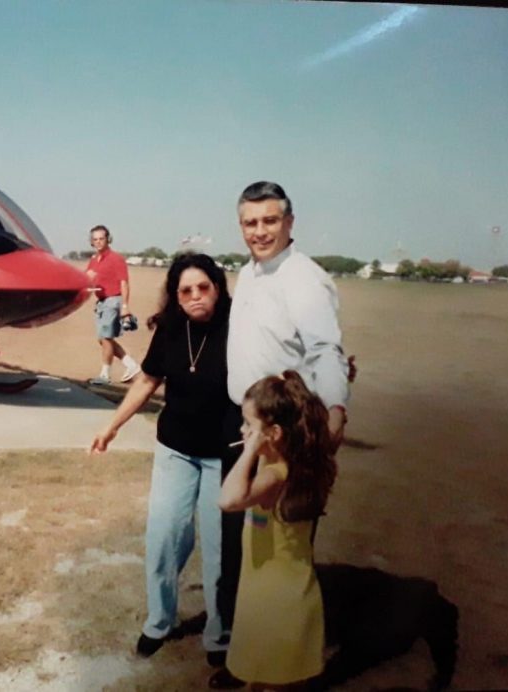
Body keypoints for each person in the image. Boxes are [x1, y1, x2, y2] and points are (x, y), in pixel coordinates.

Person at [217, 181, 350, 664]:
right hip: (245, 425)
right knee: (242, 548)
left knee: (283, 558)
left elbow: (326, 351)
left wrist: (335, 412)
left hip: (283, 435)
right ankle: (240, 648)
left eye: (270, 221)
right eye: (250, 223)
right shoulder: (249, 273)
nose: (259, 231)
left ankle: (284, 662)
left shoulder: (305, 279)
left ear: (290, 222)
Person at [90, 253, 231, 666]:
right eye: (185, 291)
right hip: (175, 451)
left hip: (223, 456)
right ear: (176, 296)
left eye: (203, 287)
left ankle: (219, 634)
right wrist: (112, 426)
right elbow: (148, 380)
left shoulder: (239, 327)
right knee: (164, 537)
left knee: (220, 549)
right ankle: (159, 621)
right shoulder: (171, 328)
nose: (195, 296)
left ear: (217, 288)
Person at [212, 371, 337, 690]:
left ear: (275, 433)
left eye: (248, 425)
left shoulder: (275, 475)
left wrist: (248, 450)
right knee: (265, 678)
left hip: (278, 604)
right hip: (273, 594)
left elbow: (228, 500)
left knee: (274, 682)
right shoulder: (299, 460)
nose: (242, 431)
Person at [85, 225, 141, 385]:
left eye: (101, 239)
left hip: (113, 300)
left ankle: (105, 375)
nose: (98, 242)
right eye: (95, 239)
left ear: (108, 239)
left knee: (106, 338)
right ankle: (131, 365)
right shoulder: (94, 260)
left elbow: (124, 283)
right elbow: (88, 277)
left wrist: (125, 306)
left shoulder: (116, 259)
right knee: (102, 339)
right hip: (101, 303)